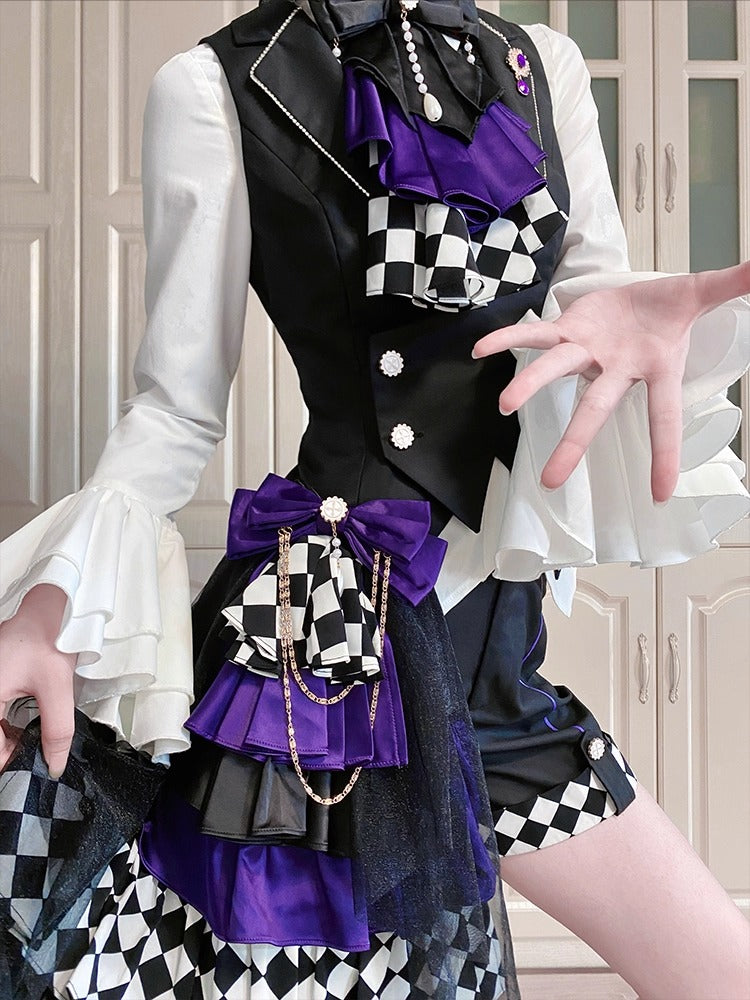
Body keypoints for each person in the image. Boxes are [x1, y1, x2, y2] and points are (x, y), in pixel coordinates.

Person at [1, 1, 749, 997]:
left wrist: (631, 323)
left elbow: (589, 315)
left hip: (494, 669)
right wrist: (53, 605)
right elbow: (175, 409)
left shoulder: (542, 66)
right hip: (332, 659)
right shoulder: (215, 85)